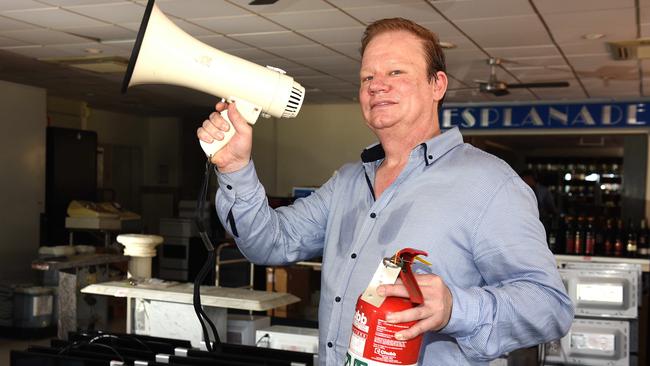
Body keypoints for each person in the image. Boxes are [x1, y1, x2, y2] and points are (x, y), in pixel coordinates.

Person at [197, 18, 574, 365]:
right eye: (367, 78)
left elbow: (550, 308)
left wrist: (455, 307)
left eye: (396, 72)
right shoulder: (346, 182)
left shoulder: (490, 183)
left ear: (436, 85)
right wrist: (235, 169)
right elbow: (270, 243)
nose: (377, 85)